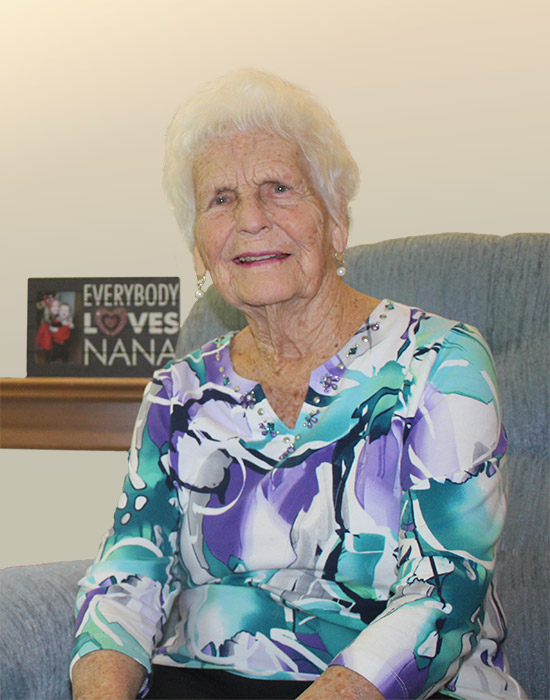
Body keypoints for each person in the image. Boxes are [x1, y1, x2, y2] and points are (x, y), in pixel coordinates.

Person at [70, 70, 526, 700]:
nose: (251, 219)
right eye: (220, 199)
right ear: (201, 249)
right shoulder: (178, 393)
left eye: (279, 188)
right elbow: (130, 571)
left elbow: (445, 592)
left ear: (336, 222)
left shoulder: (439, 363)